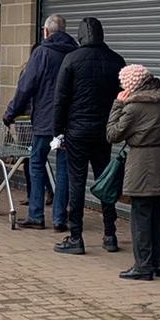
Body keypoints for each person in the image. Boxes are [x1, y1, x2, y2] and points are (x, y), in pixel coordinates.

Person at [51, 16, 126, 255]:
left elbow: (60, 100)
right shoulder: (116, 61)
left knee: (76, 182)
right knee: (106, 181)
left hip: (77, 131)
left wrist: (57, 132)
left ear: (81, 35)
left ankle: (76, 237)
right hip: (104, 132)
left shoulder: (71, 59)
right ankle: (110, 234)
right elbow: (123, 99)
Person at [106, 64, 160, 280]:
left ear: (131, 86)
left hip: (142, 167)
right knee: (157, 215)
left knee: (140, 216)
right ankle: (156, 264)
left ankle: (142, 266)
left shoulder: (133, 107)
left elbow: (112, 134)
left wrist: (118, 104)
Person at [3, 14, 78, 230]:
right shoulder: (74, 53)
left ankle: (36, 215)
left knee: (36, 163)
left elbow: (26, 87)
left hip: (45, 121)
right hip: (67, 123)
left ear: (46, 32)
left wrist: (10, 113)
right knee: (64, 169)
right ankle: (59, 218)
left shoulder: (42, 53)